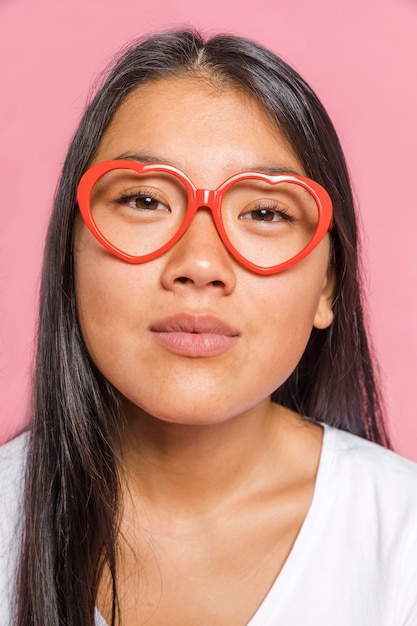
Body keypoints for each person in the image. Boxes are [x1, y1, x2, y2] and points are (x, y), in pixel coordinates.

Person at [0, 28, 416, 626]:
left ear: (329, 287)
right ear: (72, 255)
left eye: (265, 212)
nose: (199, 265)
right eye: (144, 201)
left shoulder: (404, 542)